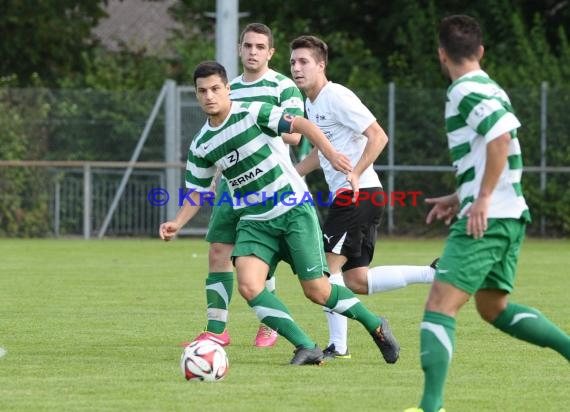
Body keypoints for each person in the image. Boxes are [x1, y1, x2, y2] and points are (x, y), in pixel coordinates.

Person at [160, 60, 401, 366]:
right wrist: (176, 223)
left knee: (317, 291)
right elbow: (198, 190)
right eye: (202, 91)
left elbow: (301, 124)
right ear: (196, 95)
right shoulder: (201, 144)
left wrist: (328, 152)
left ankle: (375, 325)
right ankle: (306, 346)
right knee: (249, 285)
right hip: (254, 221)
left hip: (292, 211)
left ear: (227, 89)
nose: (209, 96)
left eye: (215, 89)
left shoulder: (251, 112)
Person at [404, 15, 570, 412]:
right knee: (492, 308)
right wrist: (461, 195)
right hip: (508, 214)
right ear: (480, 51)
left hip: (488, 216)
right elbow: (496, 150)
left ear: (441, 54)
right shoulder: (490, 86)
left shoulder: (463, 90)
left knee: (440, 306)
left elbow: (500, 138)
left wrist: (480, 201)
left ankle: (431, 408)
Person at [290, 35, 436, 359]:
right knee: (356, 279)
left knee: (325, 270)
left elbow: (378, 135)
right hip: (362, 196)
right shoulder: (310, 104)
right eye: (293, 62)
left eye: (304, 62)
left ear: (320, 65)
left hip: (357, 194)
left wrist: (354, 172)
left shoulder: (336, 96)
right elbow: (320, 153)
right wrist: (290, 175)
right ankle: (434, 273)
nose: (296, 68)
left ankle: (338, 347)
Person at [194, 23, 305, 349]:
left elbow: (295, 135)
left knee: (260, 258)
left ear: (270, 53)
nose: (253, 52)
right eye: (248, 46)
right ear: (240, 49)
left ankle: (269, 324)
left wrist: (254, 127)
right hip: (231, 185)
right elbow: (217, 139)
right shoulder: (227, 88)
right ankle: (217, 329)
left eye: (260, 47)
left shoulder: (283, 87)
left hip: (268, 183)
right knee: (218, 251)